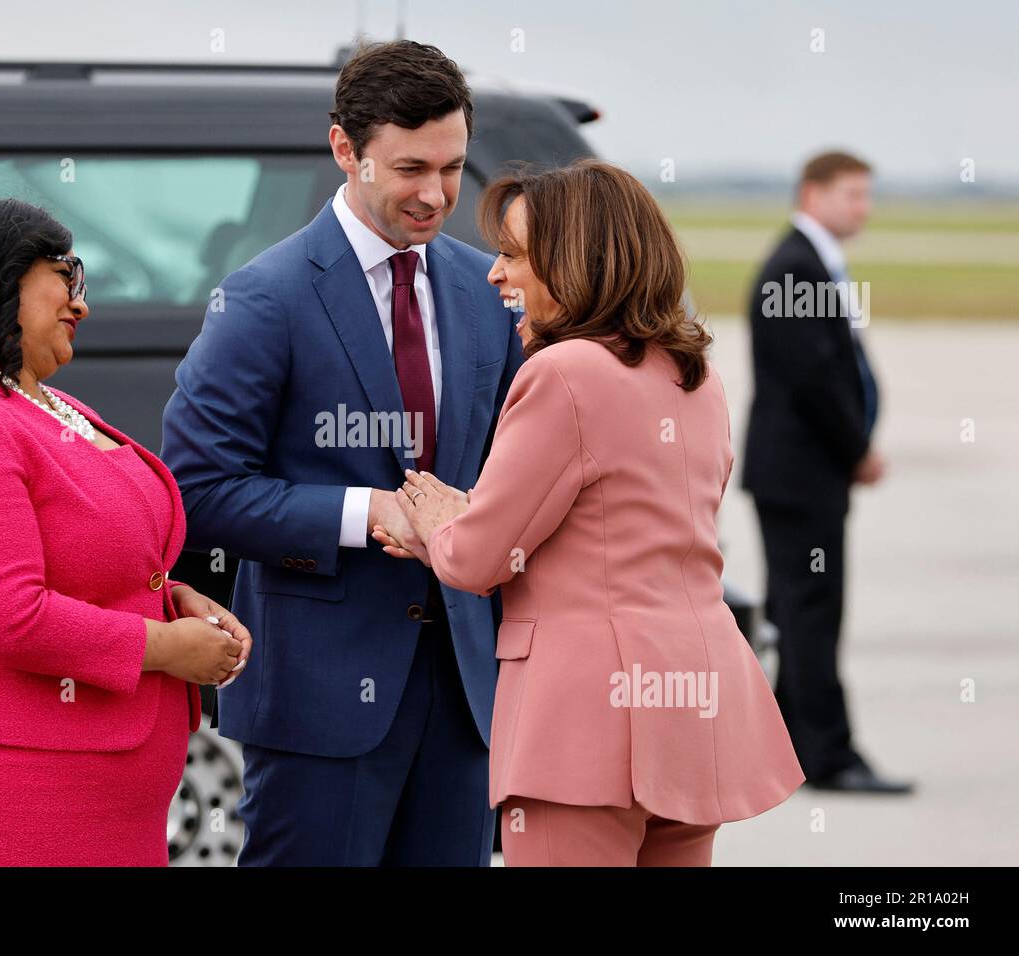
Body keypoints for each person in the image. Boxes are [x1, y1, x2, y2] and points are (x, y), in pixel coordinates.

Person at [375, 160, 805, 866]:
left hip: (587, 724)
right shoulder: (693, 375)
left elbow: (480, 558)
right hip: (694, 705)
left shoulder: (564, 372)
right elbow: (611, 527)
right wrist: (474, 522)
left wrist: (438, 523)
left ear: (575, 263)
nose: (495, 274)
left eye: (514, 256)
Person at [159, 40, 523, 866]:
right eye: (409, 169)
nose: (435, 194)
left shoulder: (484, 289)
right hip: (322, 702)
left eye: (453, 167)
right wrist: (370, 514)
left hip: (467, 693)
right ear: (343, 150)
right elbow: (196, 489)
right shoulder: (264, 298)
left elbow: (514, 460)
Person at [0, 198, 251, 866]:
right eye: (65, 274)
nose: (81, 302)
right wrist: (164, 646)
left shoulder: (50, 404)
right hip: (17, 782)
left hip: (104, 784)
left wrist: (172, 596)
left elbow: (93, 560)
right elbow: (9, 617)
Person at [742, 151, 913, 793]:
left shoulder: (811, 263)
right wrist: (857, 449)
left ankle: (786, 749)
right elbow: (814, 379)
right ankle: (828, 756)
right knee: (812, 611)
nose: (862, 208)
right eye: (851, 194)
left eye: (867, 195)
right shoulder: (795, 268)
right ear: (811, 195)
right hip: (802, 476)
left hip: (803, 475)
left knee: (797, 609)